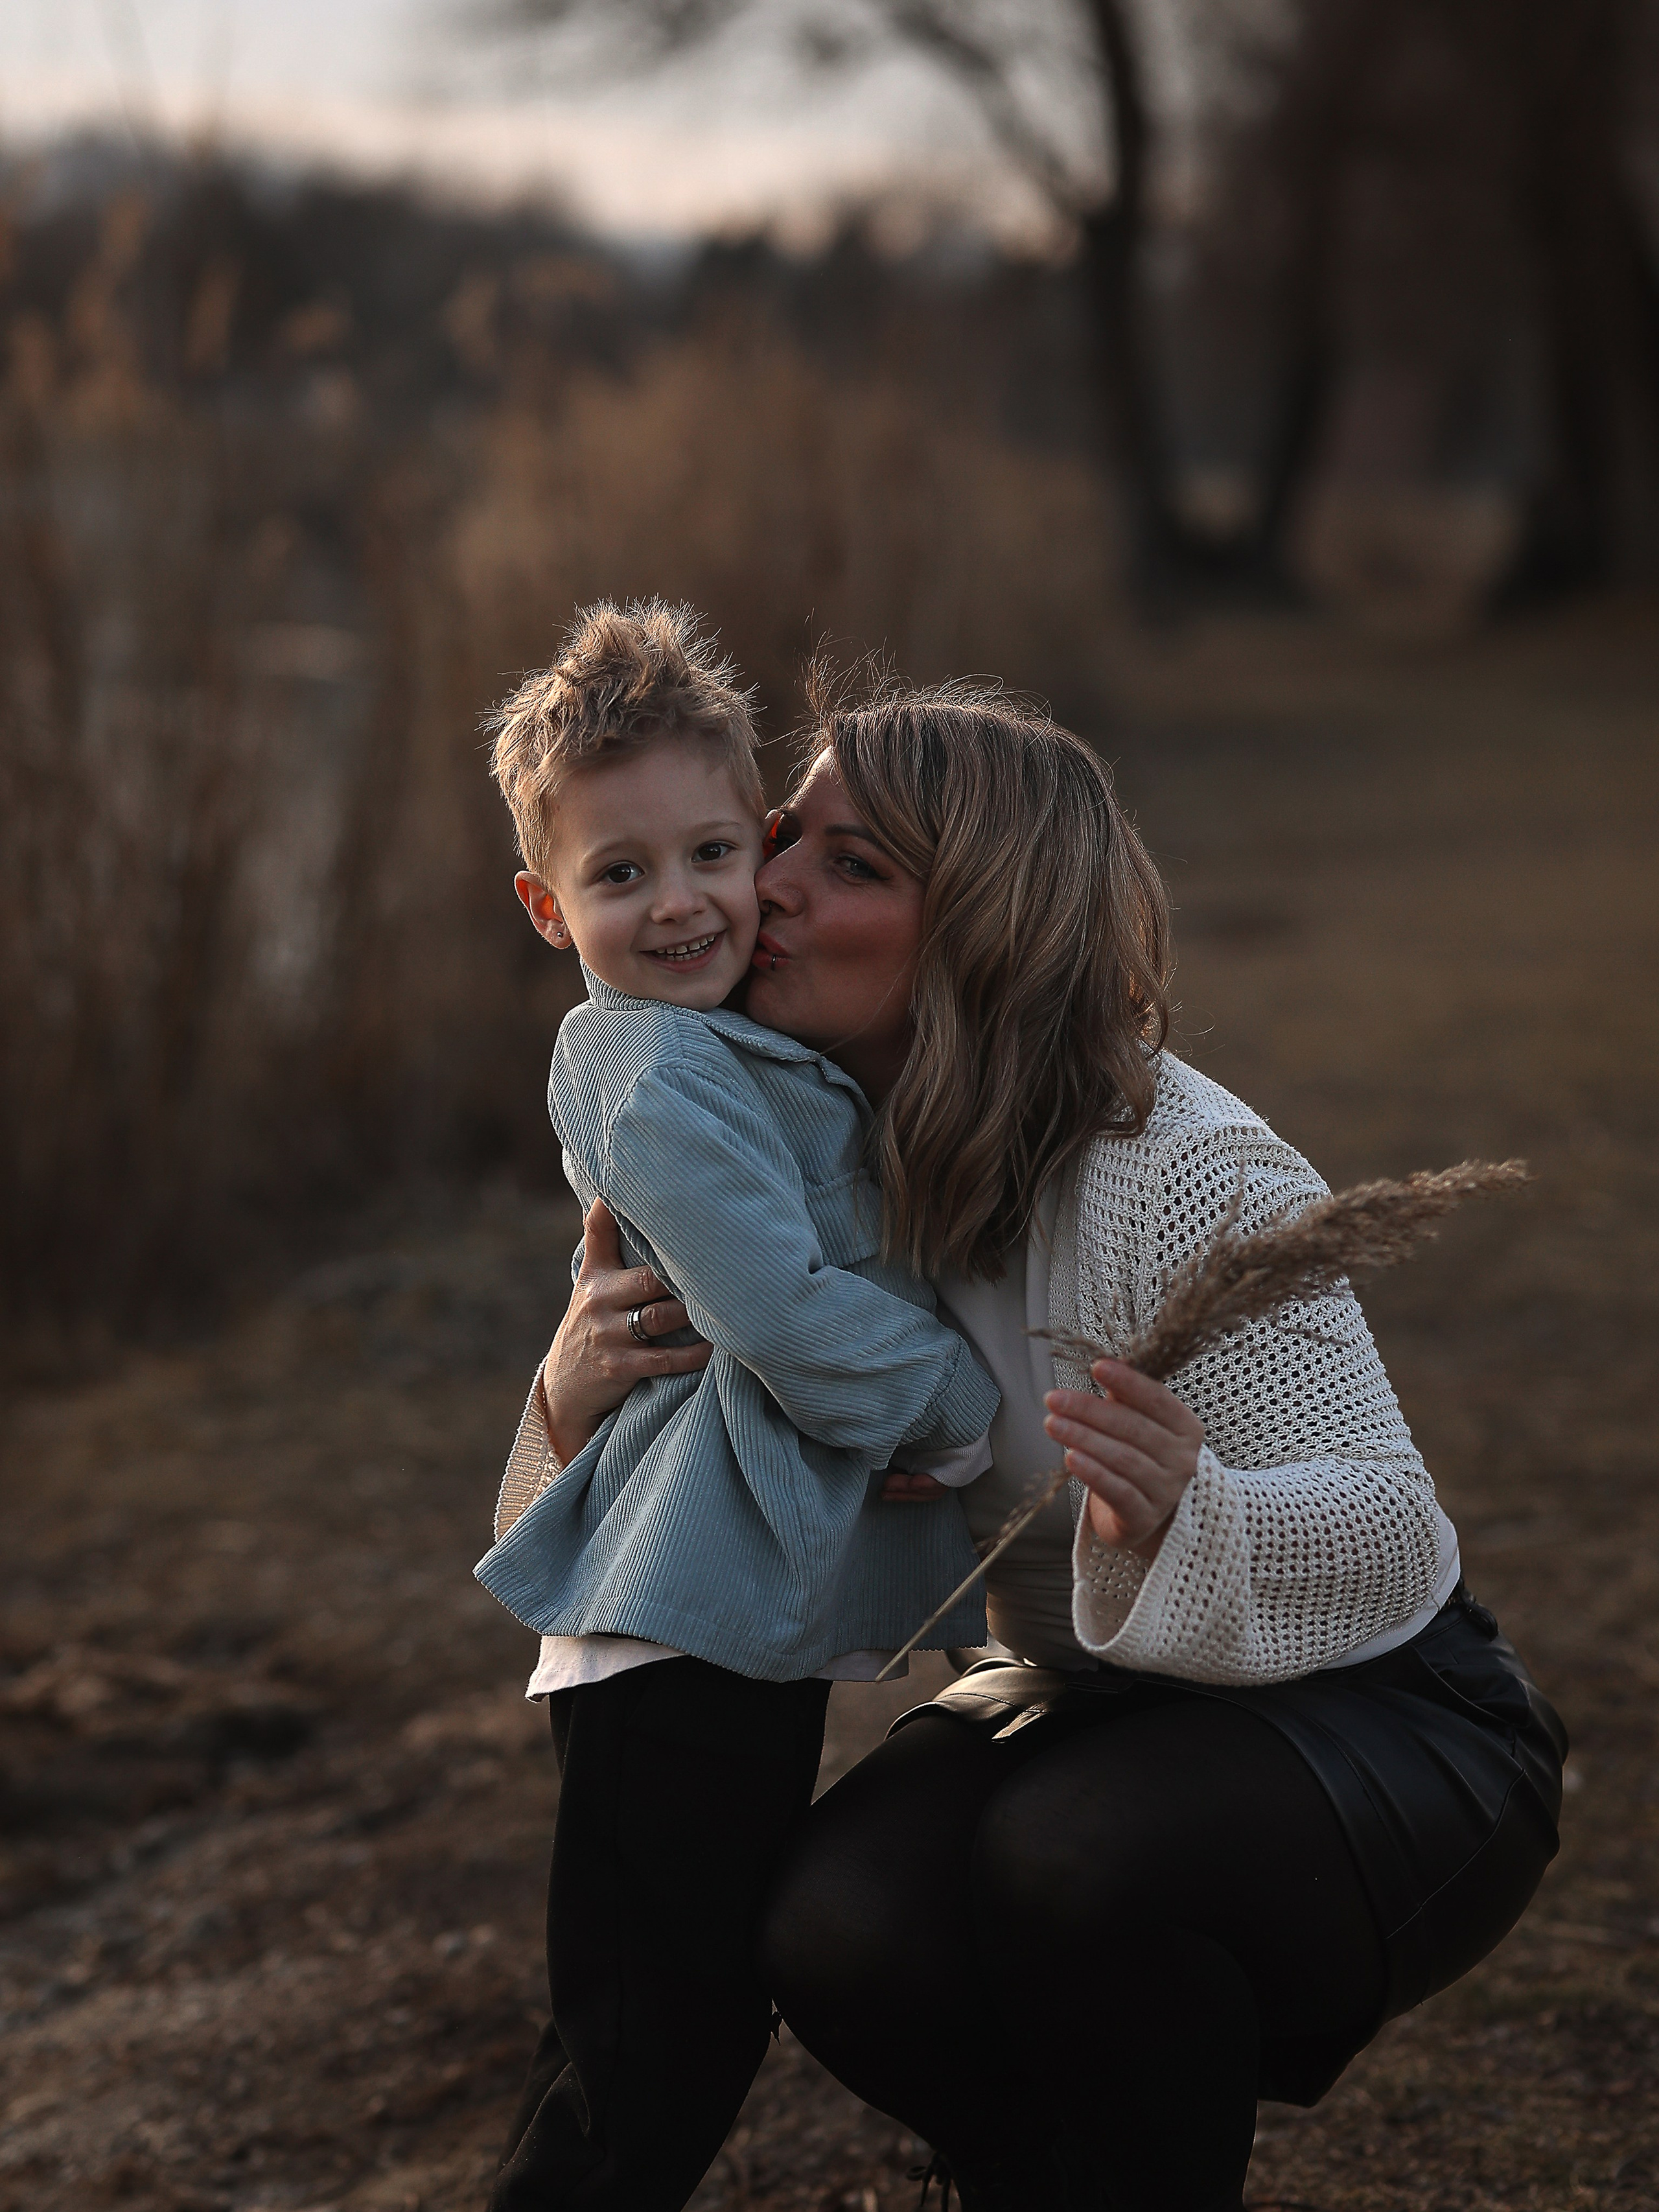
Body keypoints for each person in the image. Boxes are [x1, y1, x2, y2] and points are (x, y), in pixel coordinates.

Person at [540, 675, 1568, 2212]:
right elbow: (690, 1418)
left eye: (852, 866)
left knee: (1071, 1856)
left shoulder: (1179, 1166)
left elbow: (1391, 1530)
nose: (765, 891)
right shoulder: (800, 1133)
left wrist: (1185, 1515)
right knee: (835, 1920)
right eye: (779, 839)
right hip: (1082, 1700)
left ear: (981, 929)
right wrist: (567, 1392)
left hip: (1376, 1714)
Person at [475, 604, 999, 2212]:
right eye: (617, 876)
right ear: (546, 910)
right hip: (666, 1635)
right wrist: (957, 1412)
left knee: (665, 2026)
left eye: (709, 852)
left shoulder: (728, 1047)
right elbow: (777, 1308)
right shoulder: (646, 1071)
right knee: (654, 2048)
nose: (681, 904)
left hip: (710, 1621)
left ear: (761, 836)